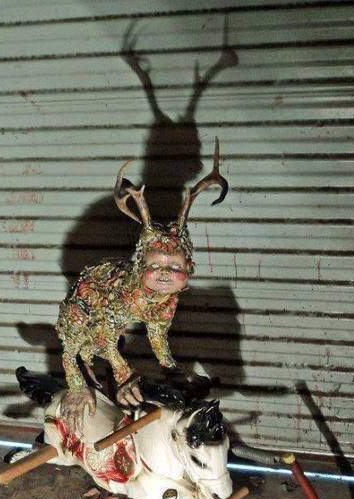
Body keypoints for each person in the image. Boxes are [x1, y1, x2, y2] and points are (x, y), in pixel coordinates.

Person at [56, 140, 228, 431]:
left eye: (175, 267)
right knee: (79, 340)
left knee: (128, 340)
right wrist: (123, 373)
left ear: (189, 268)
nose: (165, 274)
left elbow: (157, 334)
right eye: (155, 266)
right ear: (140, 267)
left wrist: (171, 370)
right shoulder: (128, 294)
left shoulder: (167, 300)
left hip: (113, 330)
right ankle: (76, 379)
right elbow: (107, 334)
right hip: (92, 305)